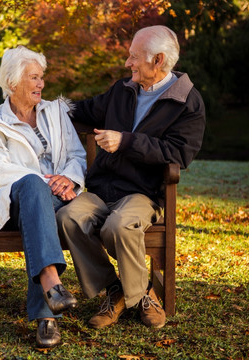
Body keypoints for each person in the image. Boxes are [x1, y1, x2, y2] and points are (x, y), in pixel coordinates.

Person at [56, 25, 206, 330]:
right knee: (67, 217)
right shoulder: (122, 90)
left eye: (133, 57)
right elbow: (85, 109)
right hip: (102, 188)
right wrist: (44, 106)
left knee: (119, 226)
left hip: (143, 193)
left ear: (158, 60)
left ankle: (142, 296)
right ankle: (118, 290)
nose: (128, 63)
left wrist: (126, 142)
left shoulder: (187, 102)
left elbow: (178, 154)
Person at [0, 45, 87, 348]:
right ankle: (48, 305)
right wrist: (42, 179)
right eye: (34, 78)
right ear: (13, 83)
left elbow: (76, 156)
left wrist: (68, 178)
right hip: (19, 203)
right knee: (34, 187)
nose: (41, 84)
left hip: (62, 197)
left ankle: (49, 299)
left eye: (41, 78)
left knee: (41, 202)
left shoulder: (56, 111)